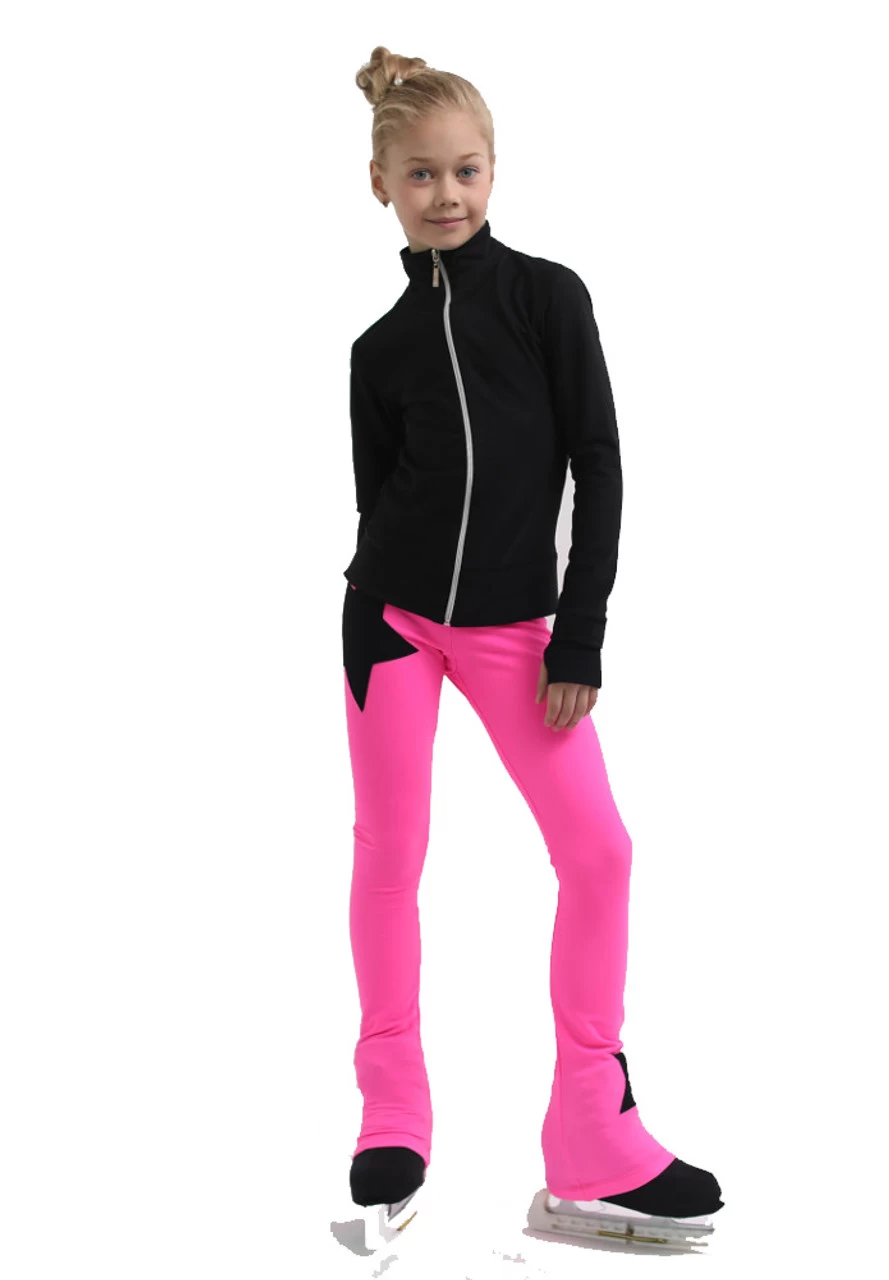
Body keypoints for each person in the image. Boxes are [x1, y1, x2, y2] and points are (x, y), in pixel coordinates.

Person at [343, 45, 724, 1249]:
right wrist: (382, 607)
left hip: (520, 630)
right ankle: (391, 1115)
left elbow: (598, 466)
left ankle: (592, 1130)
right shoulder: (376, 352)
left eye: (464, 170)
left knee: (598, 851)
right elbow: (378, 497)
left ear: (494, 171)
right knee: (391, 854)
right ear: (380, 184)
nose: (444, 193)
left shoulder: (549, 298)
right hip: (391, 623)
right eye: (420, 174)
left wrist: (580, 635)